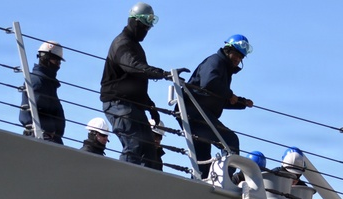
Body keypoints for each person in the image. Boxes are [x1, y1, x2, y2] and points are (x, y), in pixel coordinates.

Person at [100, 3, 171, 167]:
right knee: (134, 145)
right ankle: (124, 186)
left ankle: (149, 187)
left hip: (132, 105)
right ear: (134, 22)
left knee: (149, 150)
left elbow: (134, 83)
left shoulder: (135, 46)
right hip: (118, 103)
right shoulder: (122, 44)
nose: (146, 31)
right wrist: (163, 74)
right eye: (144, 27)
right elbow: (133, 67)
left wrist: (149, 105)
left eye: (148, 28)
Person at [182, 35, 254, 179]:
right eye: (236, 54)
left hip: (198, 111)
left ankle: (200, 183)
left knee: (202, 155)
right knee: (230, 141)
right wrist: (229, 94)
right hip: (194, 110)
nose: (238, 59)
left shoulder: (224, 69)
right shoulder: (216, 61)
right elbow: (210, 83)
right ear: (228, 50)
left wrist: (241, 102)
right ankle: (224, 180)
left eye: (241, 57)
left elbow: (217, 98)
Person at [19, 41, 66, 145]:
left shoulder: (46, 83)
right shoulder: (38, 81)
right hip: (41, 138)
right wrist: (49, 132)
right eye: (56, 61)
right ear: (45, 58)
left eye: (59, 62)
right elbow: (38, 111)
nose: (58, 65)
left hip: (48, 138)